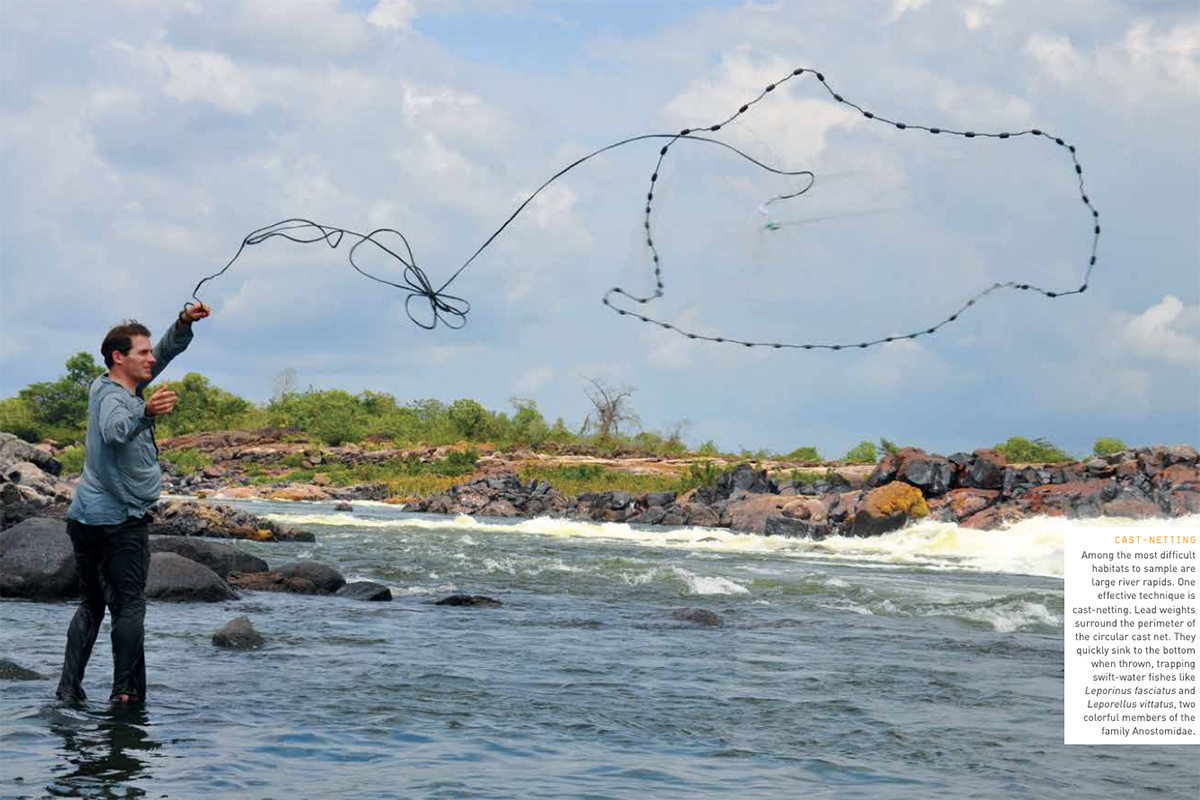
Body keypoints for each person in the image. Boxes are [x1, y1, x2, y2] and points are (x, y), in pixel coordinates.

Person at [56, 303, 211, 704]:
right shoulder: (116, 399)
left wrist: (183, 325)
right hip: (119, 522)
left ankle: (68, 690)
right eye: (142, 353)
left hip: (85, 520)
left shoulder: (114, 385)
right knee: (128, 607)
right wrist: (146, 413)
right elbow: (113, 432)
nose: (151, 358)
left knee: (91, 606)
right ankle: (125, 695)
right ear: (118, 358)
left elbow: (167, 349)